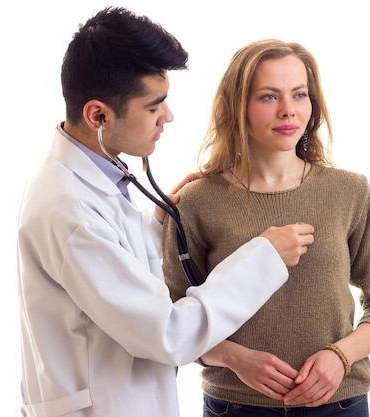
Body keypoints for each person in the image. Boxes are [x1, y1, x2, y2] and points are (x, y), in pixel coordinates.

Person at [16, 9, 315, 417]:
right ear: (98, 116)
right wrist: (262, 257)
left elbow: (107, 263)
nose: (168, 117)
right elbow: (168, 333)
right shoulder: (71, 210)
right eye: (155, 106)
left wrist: (152, 222)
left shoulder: (84, 181)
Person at [162, 39, 370, 417]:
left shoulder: (350, 191)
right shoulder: (197, 201)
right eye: (269, 97)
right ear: (237, 107)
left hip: (340, 403)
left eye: (299, 95)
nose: (289, 111)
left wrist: (340, 356)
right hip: (236, 406)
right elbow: (171, 318)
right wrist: (235, 358)